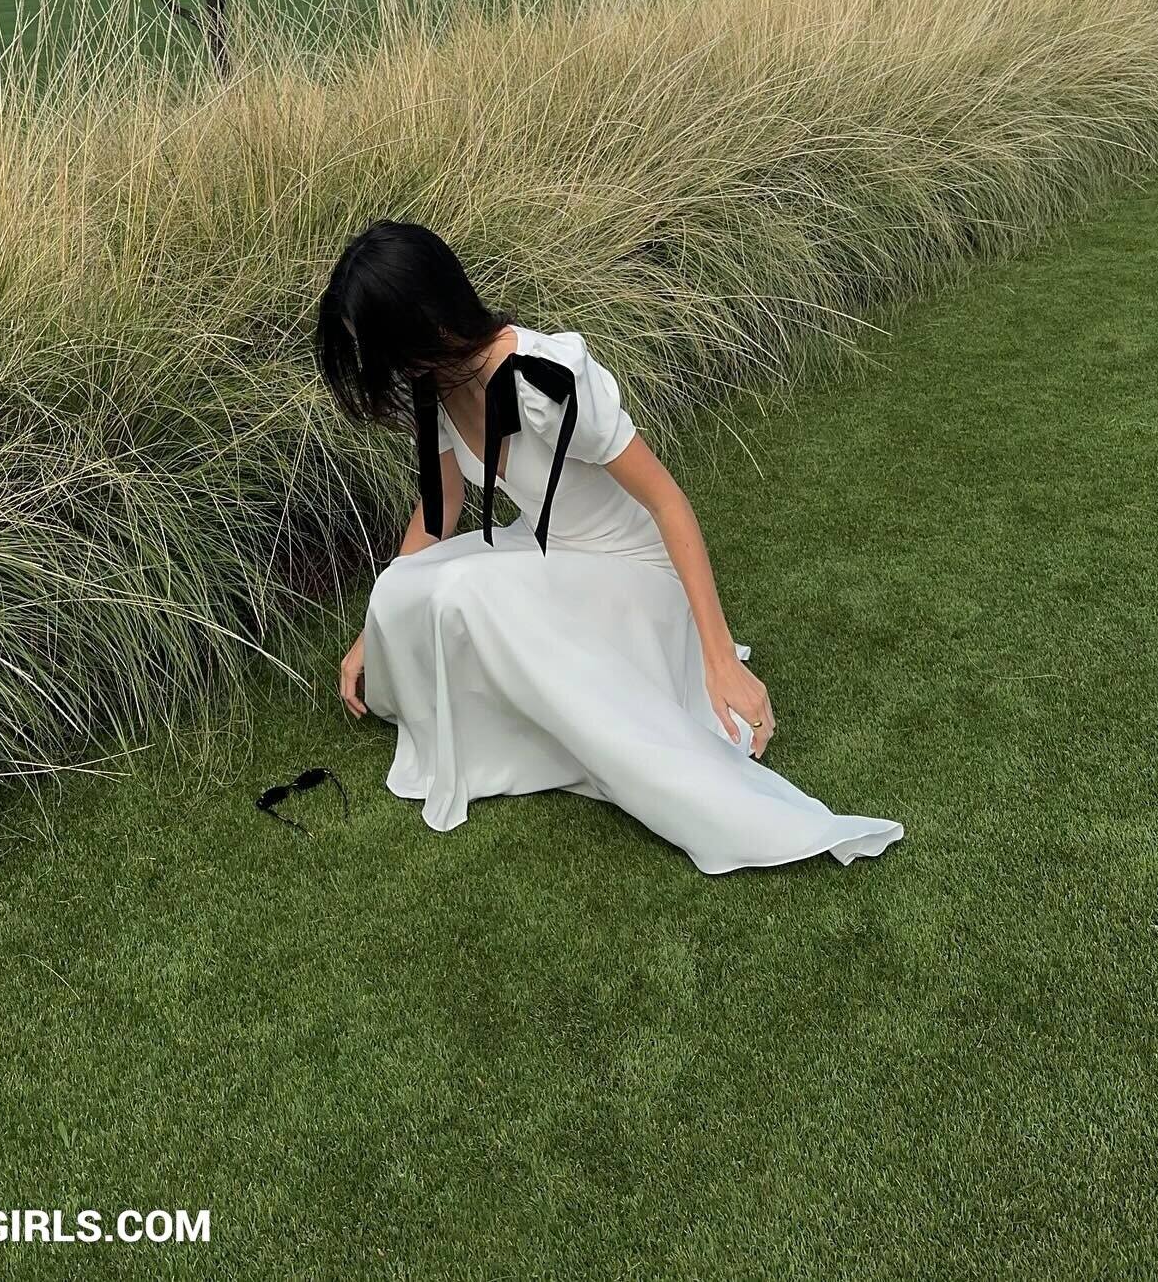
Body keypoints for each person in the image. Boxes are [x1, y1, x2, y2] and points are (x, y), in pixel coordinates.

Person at [315, 219, 904, 876]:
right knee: (401, 584)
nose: (379, 370)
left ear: (422, 321)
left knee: (462, 589)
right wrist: (378, 625)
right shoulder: (439, 387)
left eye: (378, 347)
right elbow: (438, 512)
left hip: (633, 573)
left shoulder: (544, 378)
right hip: (550, 554)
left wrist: (717, 658)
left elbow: (666, 502)